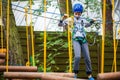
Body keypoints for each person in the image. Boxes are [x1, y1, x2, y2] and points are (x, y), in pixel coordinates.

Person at [58, 2, 95, 80]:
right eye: (76, 13)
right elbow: (60, 24)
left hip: (83, 40)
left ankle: (89, 75)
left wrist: (91, 22)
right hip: (76, 39)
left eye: (79, 13)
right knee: (77, 56)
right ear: (74, 12)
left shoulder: (83, 19)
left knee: (87, 57)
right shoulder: (70, 19)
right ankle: (75, 73)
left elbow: (87, 25)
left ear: (81, 13)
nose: (77, 14)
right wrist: (63, 18)